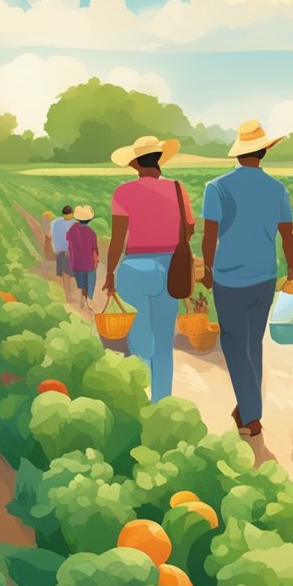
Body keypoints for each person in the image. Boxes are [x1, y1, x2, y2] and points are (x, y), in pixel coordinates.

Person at [201, 120, 293, 438]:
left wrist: (207, 268)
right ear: (263, 152)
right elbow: (288, 235)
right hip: (265, 277)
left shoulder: (217, 187)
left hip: (230, 278)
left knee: (233, 343)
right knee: (251, 344)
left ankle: (251, 417)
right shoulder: (277, 189)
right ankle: (246, 405)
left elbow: (210, 234)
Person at [103, 135, 194, 402]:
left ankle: (142, 403)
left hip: (134, 269)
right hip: (170, 269)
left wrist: (109, 275)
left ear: (135, 164)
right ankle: (162, 403)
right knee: (164, 343)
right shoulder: (178, 188)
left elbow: (118, 239)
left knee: (140, 342)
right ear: (159, 160)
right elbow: (188, 229)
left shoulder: (123, 192)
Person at [66, 205, 99, 309]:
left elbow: (67, 238)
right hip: (88, 263)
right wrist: (96, 260)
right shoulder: (92, 233)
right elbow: (94, 250)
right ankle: (89, 297)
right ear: (89, 219)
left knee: (82, 282)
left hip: (76, 263)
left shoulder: (72, 230)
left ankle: (84, 295)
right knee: (92, 275)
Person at [50, 205, 74, 294]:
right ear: (72, 213)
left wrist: (55, 249)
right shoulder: (74, 223)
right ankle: (67, 292)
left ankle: (66, 291)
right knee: (68, 272)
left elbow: (54, 237)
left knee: (64, 272)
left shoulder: (56, 222)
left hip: (60, 251)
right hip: (70, 252)